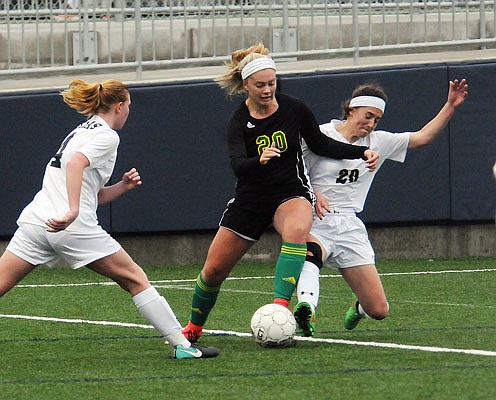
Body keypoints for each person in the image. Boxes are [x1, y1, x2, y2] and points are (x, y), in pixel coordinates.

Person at [0, 79, 219, 360]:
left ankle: (182, 345)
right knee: (136, 279)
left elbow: (88, 188)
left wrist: (122, 187)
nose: (128, 111)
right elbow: (76, 163)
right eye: (128, 105)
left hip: (36, 221)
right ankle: (182, 345)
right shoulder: (107, 135)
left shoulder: (81, 129)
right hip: (70, 226)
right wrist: (72, 212)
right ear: (119, 106)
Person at [181, 42, 380, 343]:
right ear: (246, 85)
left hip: (291, 192)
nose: (267, 90)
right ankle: (193, 328)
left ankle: (280, 310)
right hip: (251, 199)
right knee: (212, 272)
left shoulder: (294, 109)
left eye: (272, 83)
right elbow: (238, 166)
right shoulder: (238, 121)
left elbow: (321, 144)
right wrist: (257, 160)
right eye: (260, 85)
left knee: (298, 230)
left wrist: (359, 152)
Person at [293, 79, 468, 336]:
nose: (371, 124)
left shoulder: (378, 142)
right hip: (316, 218)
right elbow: (293, 169)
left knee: (379, 309)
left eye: (376, 119)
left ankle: (359, 308)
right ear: (351, 109)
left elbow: (421, 138)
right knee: (311, 252)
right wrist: (311, 193)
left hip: (350, 225)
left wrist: (450, 105)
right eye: (368, 116)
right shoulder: (320, 135)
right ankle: (307, 307)